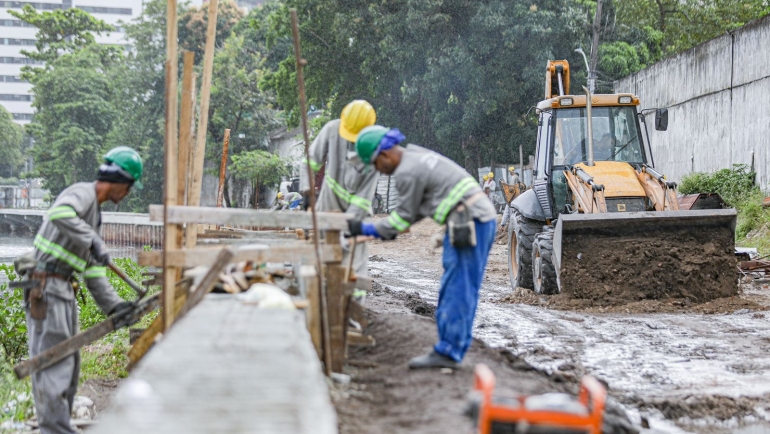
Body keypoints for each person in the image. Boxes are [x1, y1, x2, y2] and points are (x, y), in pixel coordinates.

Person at [349, 126, 497, 369]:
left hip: (470, 221)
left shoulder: (406, 172)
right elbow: (414, 213)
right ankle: (452, 347)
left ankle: (448, 352)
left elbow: (403, 219)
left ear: (384, 155)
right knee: (459, 285)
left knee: (457, 287)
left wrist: (364, 229)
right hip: (474, 218)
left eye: (375, 164)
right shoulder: (415, 157)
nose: (378, 171)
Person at [22, 146, 141, 434]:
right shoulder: (82, 194)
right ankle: (54, 429)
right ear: (119, 181)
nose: (127, 194)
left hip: (61, 289)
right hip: (45, 287)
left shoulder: (93, 215)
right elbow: (59, 213)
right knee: (54, 359)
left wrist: (114, 305)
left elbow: (93, 271)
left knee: (70, 360)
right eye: (128, 187)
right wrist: (93, 241)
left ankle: (58, 424)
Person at [300, 100, 379, 297]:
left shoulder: (374, 153)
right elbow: (310, 162)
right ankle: (319, 308)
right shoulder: (333, 129)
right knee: (318, 264)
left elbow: (361, 202)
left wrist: (344, 235)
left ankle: (352, 314)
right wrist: (308, 193)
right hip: (326, 208)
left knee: (354, 271)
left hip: (356, 219)